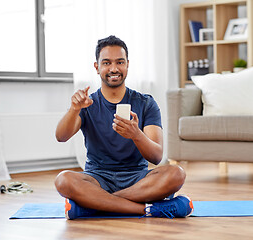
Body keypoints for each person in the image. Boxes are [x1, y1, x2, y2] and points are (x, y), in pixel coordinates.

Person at [55, 35, 193, 220]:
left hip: (138, 179)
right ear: (97, 67)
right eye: (106, 63)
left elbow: (156, 156)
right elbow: (61, 137)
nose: (114, 69)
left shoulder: (146, 103)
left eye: (120, 62)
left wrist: (136, 135)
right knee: (63, 180)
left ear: (127, 64)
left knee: (176, 174)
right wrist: (74, 109)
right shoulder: (86, 104)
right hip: (97, 178)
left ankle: (94, 205)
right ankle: (150, 209)